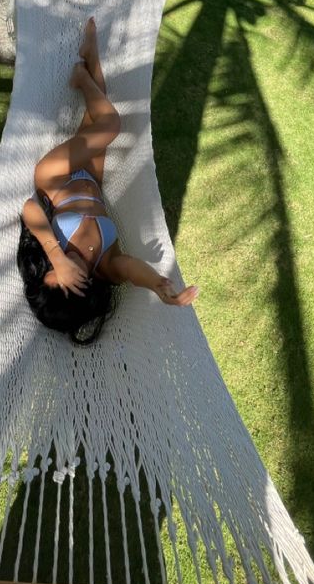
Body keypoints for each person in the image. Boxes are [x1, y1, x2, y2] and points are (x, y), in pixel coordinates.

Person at [17, 18, 198, 345]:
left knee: (109, 123)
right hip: (91, 180)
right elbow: (131, 270)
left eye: (52, 276)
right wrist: (157, 284)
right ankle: (90, 60)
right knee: (99, 116)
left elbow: (31, 208)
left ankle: (83, 77)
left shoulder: (54, 250)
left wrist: (57, 255)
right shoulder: (105, 267)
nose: (62, 272)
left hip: (54, 178)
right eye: (66, 282)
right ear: (80, 291)